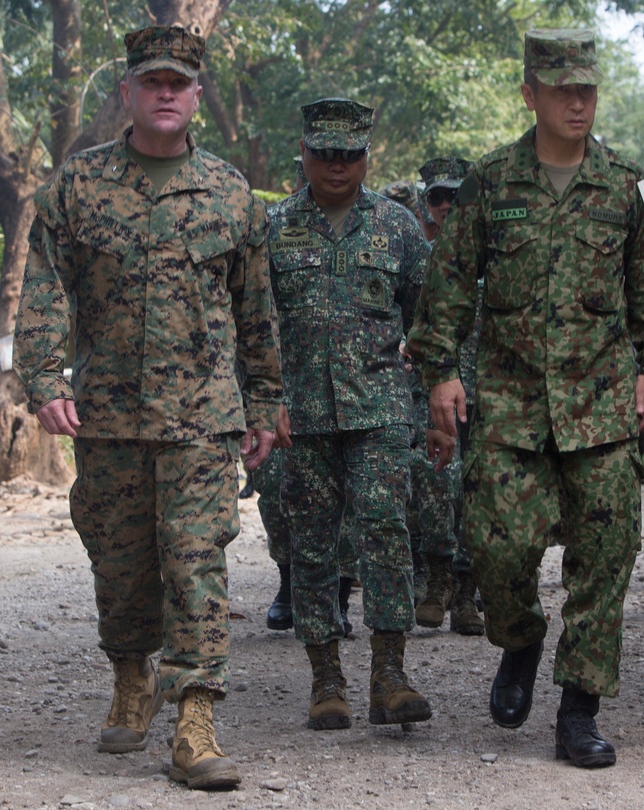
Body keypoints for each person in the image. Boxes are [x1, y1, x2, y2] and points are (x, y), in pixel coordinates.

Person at [12, 26, 284, 791]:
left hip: (202, 420)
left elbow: (256, 312)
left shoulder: (230, 194)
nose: (165, 92)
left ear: (196, 97)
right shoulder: (78, 186)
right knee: (121, 564)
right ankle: (131, 677)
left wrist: (264, 401)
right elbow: (45, 291)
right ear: (128, 92)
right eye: (151, 80)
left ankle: (195, 718)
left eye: (179, 82)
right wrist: (44, 377)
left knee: (197, 563)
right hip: (108, 417)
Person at [407, 29, 644, 768]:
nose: (577, 101)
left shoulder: (627, 186)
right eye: (561, 90)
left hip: (603, 410)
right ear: (530, 95)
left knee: (604, 558)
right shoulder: (491, 183)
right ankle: (520, 638)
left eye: (586, 88)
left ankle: (579, 709)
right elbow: (449, 287)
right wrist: (439, 372)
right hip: (510, 407)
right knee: (497, 548)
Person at [267, 98, 431, 731]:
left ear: (368, 158)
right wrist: (265, 402)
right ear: (304, 156)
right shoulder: (275, 227)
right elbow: (252, 324)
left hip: (382, 411)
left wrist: (434, 398)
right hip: (302, 414)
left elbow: (429, 317)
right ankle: (325, 677)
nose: (337, 166)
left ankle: (389, 673)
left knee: (387, 531)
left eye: (350, 155)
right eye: (325, 154)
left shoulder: (398, 226)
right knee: (311, 545)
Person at [408, 156, 484, 635]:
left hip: (491, 397)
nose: (446, 206)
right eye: (437, 197)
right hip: (436, 395)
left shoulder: (496, 253)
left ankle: (467, 592)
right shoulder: (419, 256)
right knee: (438, 485)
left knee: (479, 494)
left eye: (455, 196)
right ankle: (435, 577)